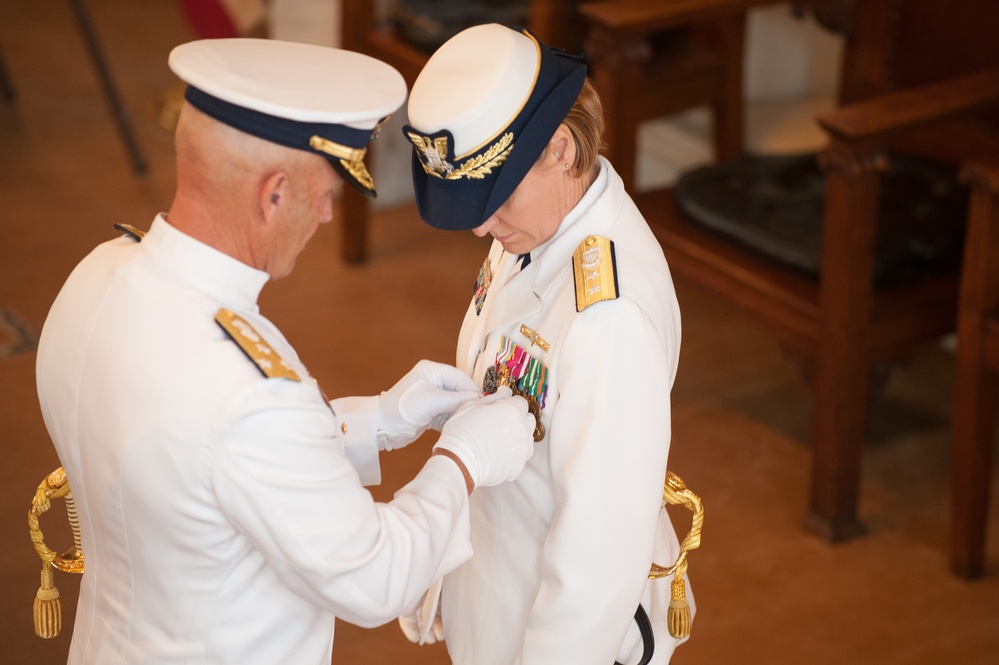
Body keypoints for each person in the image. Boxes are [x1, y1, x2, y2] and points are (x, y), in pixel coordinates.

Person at [34, 37, 536, 664]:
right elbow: (374, 576)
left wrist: (380, 419)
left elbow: (207, 462)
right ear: (272, 195)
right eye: (324, 192)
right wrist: (463, 459)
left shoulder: (98, 274)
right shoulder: (250, 390)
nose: (326, 215)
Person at [397, 23, 693, 665]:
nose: (480, 223)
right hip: (499, 593)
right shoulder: (540, 225)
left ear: (561, 147)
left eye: (495, 196)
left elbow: (595, 567)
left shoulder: (608, 314)